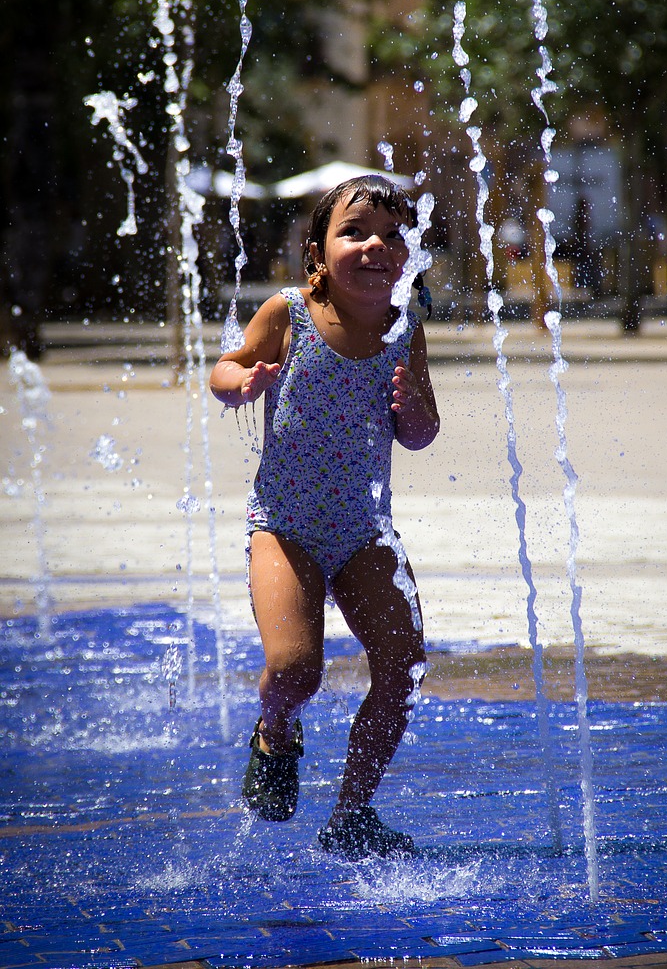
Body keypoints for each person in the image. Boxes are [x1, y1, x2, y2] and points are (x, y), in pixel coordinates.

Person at [210, 174, 439, 860]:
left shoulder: (405, 329)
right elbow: (228, 367)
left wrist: (413, 412)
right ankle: (275, 732)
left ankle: (352, 813)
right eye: (356, 232)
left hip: (366, 531)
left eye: (392, 236)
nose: (376, 245)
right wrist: (242, 383)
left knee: (404, 666)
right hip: (285, 525)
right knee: (295, 671)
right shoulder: (288, 313)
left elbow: (422, 433)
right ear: (316, 253)